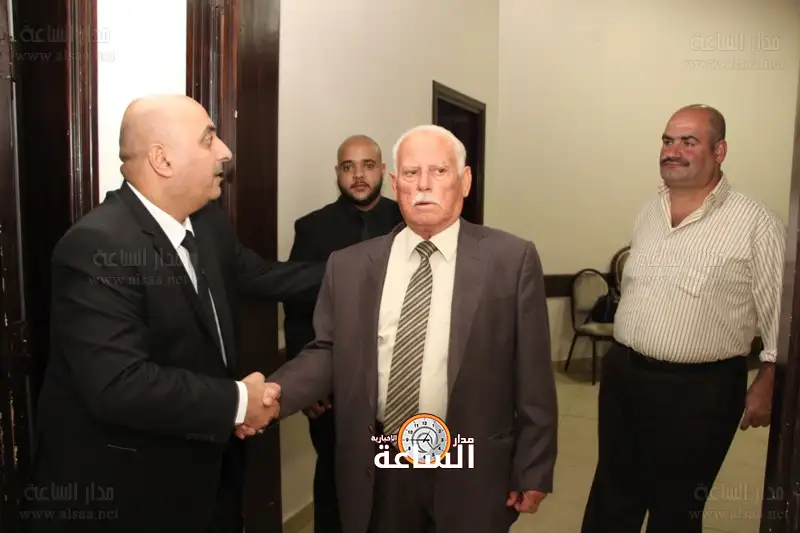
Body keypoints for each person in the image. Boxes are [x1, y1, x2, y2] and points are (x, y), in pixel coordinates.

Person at [21, 94, 324, 533]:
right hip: (129, 497)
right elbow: (119, 384)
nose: (225, 152)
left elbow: (263, 276)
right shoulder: (97, 245)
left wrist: (362, 268)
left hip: (207, 479)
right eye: (208, 139)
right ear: (162, 159)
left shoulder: (209, 224)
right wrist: (240, 401)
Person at [247, 124, 559, 533]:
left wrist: (533, 466)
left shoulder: (511, 259)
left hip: (470, 461)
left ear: (465, 181)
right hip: (382, 461)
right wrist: (274, 394)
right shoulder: (350, 265)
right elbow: (328, 350)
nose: (424, 185)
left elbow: (533, 372)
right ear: (395, 184)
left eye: (439, 171)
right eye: (411, 173)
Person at [581, 104, 786, 533]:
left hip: (700, 392)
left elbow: (781, 316)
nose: (672, 151)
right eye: (667, 140)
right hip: (625, 377)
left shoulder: (756, 223)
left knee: (675, 509)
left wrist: (770, 379)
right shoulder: (649, 212)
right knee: (612, 496)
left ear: (719, 151)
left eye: (688, 141)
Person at [284, 134, 403, 533]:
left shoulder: (408, 221)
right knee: (335, 481)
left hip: (398, 381)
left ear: (382, 170)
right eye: (348, 167)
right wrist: (306, 385)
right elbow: (297, 311)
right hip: (334, 386)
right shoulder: (313, 228)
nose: (358, 175)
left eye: (367, 165)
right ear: (337, 173)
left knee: (397, 482)